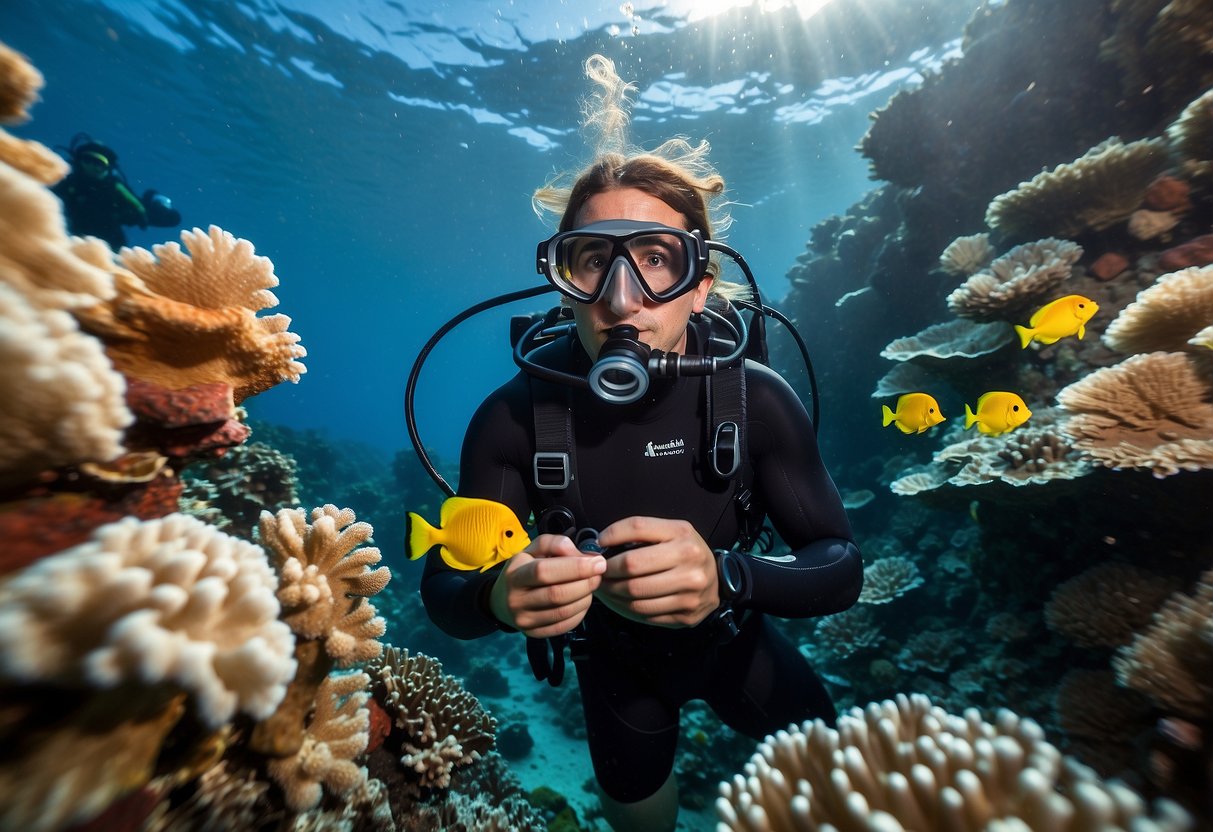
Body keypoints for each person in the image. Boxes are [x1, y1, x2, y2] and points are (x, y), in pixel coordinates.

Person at [420, 55, 861, 832]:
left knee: (849, 802)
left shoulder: (755, 396)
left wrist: (729, 578)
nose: (622, 300)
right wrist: (497, 594)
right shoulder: (510, 419)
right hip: (616, 679)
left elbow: (838, 567)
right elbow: (444, 590)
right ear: (563, 282)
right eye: (592, 261)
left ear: (700, 281)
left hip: (740, 648)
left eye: (656, 260)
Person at [51, 133, 181, 249]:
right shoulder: (63, 183)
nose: (92, 167)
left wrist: (160, 209)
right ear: (77, 161)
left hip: (109, 250)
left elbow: (168, 218)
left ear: (108, 169)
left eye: (99, 164)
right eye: (88, 160)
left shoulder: (115, 190)